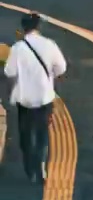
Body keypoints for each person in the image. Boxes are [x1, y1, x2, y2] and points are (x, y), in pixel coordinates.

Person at [4, 13, 67, 184]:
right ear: (38, 27)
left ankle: (29, 167)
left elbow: (9, 72)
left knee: (25, 134)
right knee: (42, 133)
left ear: (23, 29)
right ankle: (40, 165)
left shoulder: (17, 48)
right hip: (44, 97)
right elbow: (61, 67)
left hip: (24, 99)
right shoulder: (49, 45)